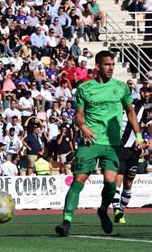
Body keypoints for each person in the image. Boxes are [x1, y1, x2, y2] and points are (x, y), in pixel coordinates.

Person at [55, 51, 144, 237]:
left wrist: (139, 136)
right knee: (79, 179)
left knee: (111, 184)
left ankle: (103, 210)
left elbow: (130, 112)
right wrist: (82, 126)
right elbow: (78, 114)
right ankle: (66, 222)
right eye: (107, 64)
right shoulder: (85, 89)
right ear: (97, 66)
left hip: (112, 145)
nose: (111, 67)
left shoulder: (121, 87)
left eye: (113, 64)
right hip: (90, 142)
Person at [112, 96, 148, 224]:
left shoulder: (141, 109)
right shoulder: (116, 107)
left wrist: (146, 141)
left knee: (128, 183)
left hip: (134, 152)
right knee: (118, 180)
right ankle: (116, 210)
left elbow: (149, 125)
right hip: (119, 149)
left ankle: (121, 211)